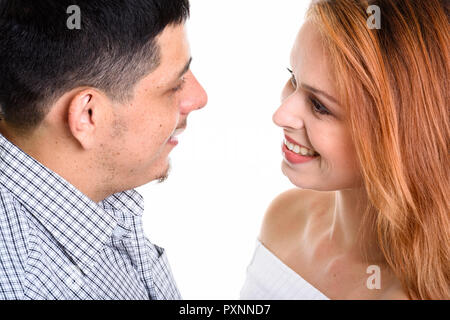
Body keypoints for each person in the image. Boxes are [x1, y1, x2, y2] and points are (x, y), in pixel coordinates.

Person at [241, 0, 449, 300]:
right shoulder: (284, 217)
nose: (281, 115)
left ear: (397, 138)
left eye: (320, 106)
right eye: (293, 78)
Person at [0, 0, 207, 300]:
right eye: (175, 86)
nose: (199, 98)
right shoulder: (27, 284)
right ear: (88, 116)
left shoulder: (92, 195)